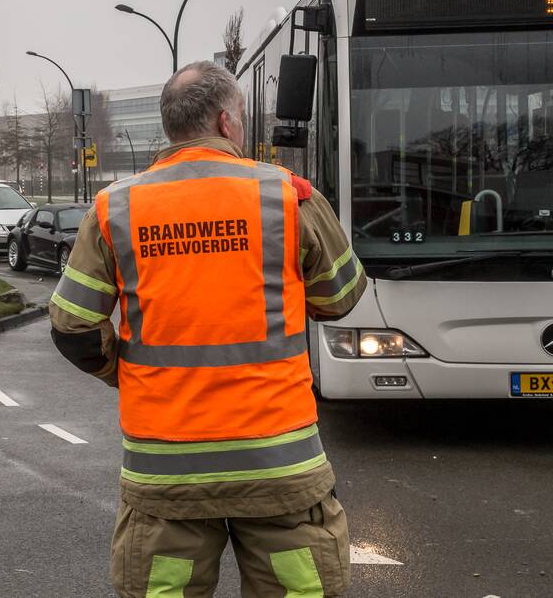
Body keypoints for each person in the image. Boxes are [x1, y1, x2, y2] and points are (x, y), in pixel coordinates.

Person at [49, 61, 366, 597]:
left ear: (170, 125)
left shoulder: (115, 208)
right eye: (241, 117)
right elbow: (341, 297)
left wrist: (126, 372)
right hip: (279, 464)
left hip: (166, 472)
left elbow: (72, 325)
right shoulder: (287, 196)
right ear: (225, 121)